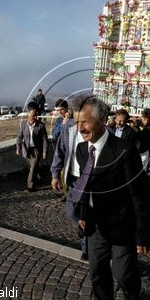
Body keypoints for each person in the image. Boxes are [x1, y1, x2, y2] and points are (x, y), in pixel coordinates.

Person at [74, 97, 150, 300]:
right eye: (77, 122)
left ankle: (133, 294)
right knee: (98, 273)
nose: (80, 128)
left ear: (102, 119)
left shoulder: (124, 150)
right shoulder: (82, 150)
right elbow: (85, 186)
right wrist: (83, 214)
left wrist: (142, 234)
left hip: (122, 225)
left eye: (85, 122)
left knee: (123, 274)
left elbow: (140, 194)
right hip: (95, 225)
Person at [51, 100, 87, 259]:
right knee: (73, 213)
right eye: (77, 119)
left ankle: (87, 248)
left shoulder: (99, 130)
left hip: (92, 181)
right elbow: (59, 151)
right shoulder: (68, 128)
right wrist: (55, 174)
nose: (80, 124)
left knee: (89, 214)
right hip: (73, 178)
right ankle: (83, 232)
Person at [16, 106, 48, 191]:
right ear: (28, 114)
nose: (35, 117)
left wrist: (44, 151)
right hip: (26, 150)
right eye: (33, 115)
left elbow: (45, 139)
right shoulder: (23, 124)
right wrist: (18, 148)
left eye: (36, 115)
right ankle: (40, 177)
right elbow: (19, 137)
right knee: (32, 167)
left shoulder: (40, 125)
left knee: (33, 167)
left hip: (36, 150)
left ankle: (30, 186)